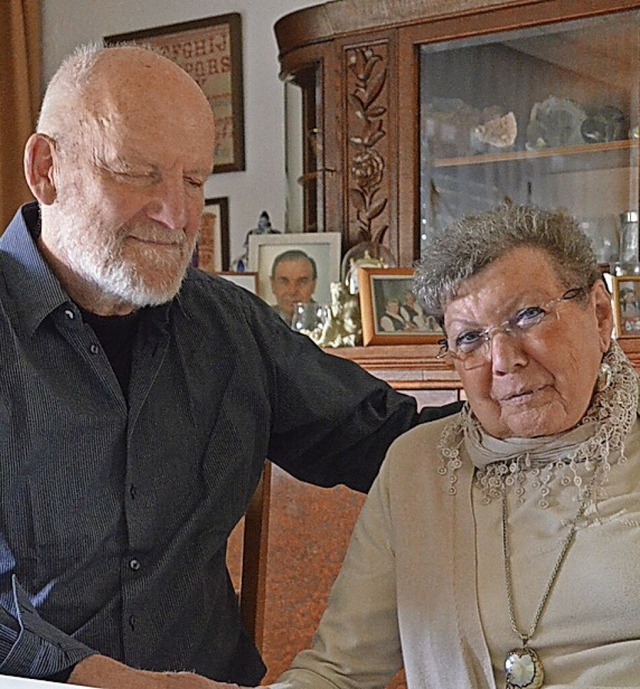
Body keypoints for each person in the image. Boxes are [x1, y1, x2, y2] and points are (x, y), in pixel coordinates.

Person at [0, 43, 462, 688]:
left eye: (194, 180)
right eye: (138, 172)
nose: (179, 215)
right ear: (46, 169)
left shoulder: (228, 325)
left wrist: (531, 408)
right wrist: (97, 677)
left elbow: (382, 441)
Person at [272, 204, 640, 688]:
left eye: (528, 315)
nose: (504, 360)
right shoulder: (416, 466)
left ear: (598, 314)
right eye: (470, 339)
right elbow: (339, 671)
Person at [270, 250, 319, 328]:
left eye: (302, 282)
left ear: (313, 285)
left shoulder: (329, 324)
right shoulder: (260, 322)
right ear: (273, 285)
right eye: (284, 281)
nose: (292, 291)